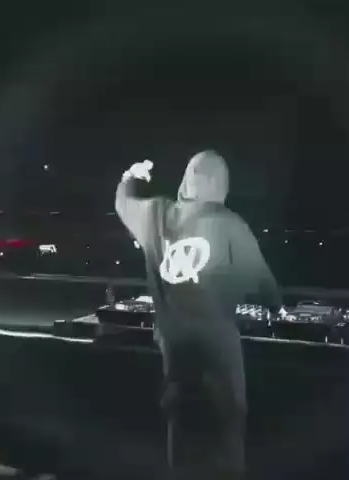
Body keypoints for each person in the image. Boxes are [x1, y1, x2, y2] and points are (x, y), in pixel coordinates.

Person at [115, 151, 282, 479]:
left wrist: (130, 176)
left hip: (175, 349)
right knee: (227, 430)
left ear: (187, 180)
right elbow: (267, 288)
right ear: (222, 184)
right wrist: (274, 304)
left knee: (180, 425)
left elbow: (123, 203)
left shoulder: (156, 214)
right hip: (219, 355)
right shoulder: (231, 224)